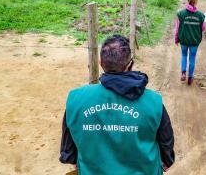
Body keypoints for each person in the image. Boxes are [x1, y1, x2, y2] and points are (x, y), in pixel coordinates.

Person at [60, 35, 175, 174]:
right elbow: (166, 145)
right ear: (130, 65)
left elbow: (68, 153)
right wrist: (164, 163)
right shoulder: (153, 102)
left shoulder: (76, 99)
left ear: (100, 63)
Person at [174, 0, 206, 85]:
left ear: (188, 0)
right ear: (196, 2)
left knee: (184, 56)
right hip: (194, 41)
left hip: (183, 40)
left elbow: (177, 28)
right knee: (192, 58)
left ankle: (183, 73)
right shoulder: (200, 15)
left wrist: (176, 39)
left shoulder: (181, 14)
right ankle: (190, 78)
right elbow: (203, 28)